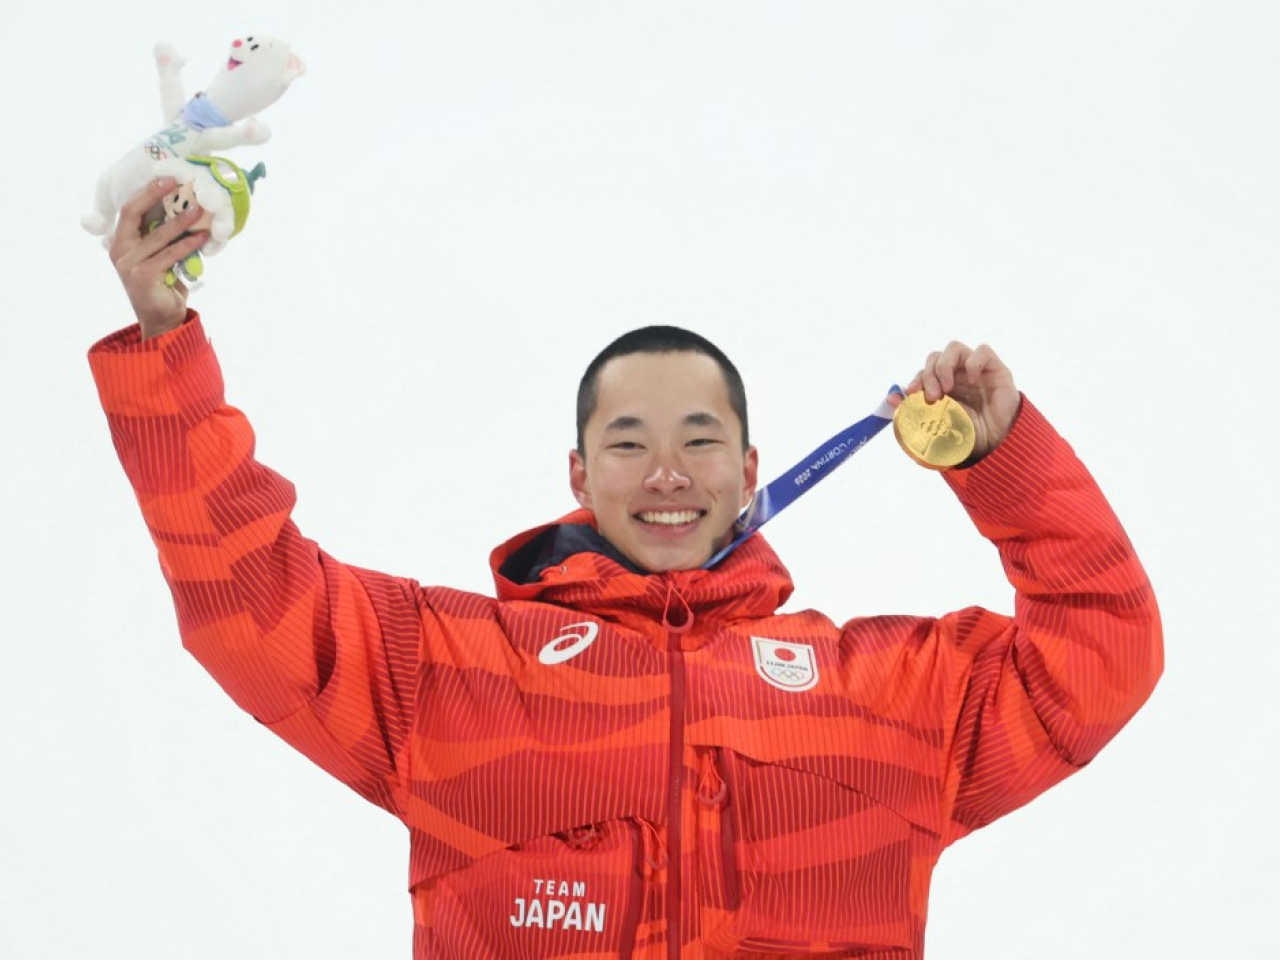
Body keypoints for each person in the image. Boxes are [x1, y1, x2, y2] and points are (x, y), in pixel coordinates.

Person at [91, 179, 1162, 959]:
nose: (665, 472)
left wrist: (1004, 462)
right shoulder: (446, 672)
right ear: (578, 472)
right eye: (626, 442)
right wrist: (163, 336)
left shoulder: (886, 695)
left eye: (699, 439)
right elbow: (246, 596)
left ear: (748, 470)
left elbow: (1101, 653)